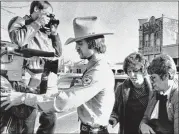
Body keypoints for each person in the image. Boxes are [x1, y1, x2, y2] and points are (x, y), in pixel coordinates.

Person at [1, 16, 115, 134]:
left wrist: (23, 98)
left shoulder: (98, 71)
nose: (76, 48)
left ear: (92, 43)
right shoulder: (94, 67)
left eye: (80, 43)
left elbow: (64, 101)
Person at [2, 1, 62, 134]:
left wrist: (54, 34)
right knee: (28, 122)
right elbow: (18, 40)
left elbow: (58, 53)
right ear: (36, 9)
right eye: (47, 14)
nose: (48, 18)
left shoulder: (44, 30)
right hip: (29, 79)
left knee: (50, 120)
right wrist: (38, 23)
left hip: (47, 78)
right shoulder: (20, 21)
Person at [109, 52, 153, 134]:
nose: (132, 75)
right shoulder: (121, 89)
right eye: (129, 71)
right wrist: (114, 118)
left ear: (143, 70)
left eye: (135, 71)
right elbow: (114, 109)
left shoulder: (154, 89)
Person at [139, 54, 178, 134]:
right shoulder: (155, 93)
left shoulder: (177, 96)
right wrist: (143, 126)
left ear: (165, 76)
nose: (151, 82)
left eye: (153, 78)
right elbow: (145, 117)